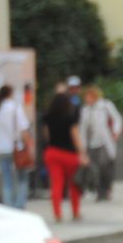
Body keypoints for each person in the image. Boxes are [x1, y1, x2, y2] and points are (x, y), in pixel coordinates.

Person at [39, 90, 86, 223]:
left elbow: (46, 136)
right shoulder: (70, 117)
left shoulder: (47, 117)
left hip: (52, 152)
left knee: (56, 184)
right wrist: (82, 153)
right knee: (74, 184)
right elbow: (75, 136)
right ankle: (75, 212)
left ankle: (57, 213)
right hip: (69, 154)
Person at [79, 84, 123, 202]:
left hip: (106, 141)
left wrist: (116, 132)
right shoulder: (85, 110)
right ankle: (99, 191)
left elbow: (117, 119)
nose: (87, 99)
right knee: (94, 168)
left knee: (106, 166)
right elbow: (82, 129)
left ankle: (106, 189)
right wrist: (82, 146)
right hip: (92, 143)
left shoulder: (105, 106)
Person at [0, 84, 32, 208]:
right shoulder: (15, 107)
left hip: (0, 148)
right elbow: (23, 129)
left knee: (6, 181)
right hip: (15, 148)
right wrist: (29, 146)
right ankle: (19, 207)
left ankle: (8, 206)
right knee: (21, 179)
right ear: (10, 93)